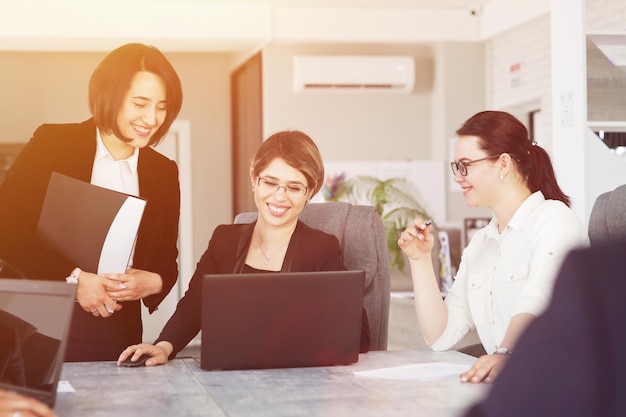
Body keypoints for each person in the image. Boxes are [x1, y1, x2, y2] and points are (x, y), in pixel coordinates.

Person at [117, 130, 370, 366]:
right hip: (228, 378)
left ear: (309, 192)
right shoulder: (224, 239)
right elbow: (194, 304)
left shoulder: (320, 248)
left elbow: (360, 335)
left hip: (294, 383)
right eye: (270, 182)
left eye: (294, 187)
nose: (280, 197)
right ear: (254, 179)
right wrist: (163, 346)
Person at [0, 43, 184, 361]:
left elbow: (166, 258)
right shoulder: (52, 143)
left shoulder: (163, 172)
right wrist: (74, 278)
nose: (151, 118)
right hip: (38, 321)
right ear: (109, 95)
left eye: (161, 107)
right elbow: (7, 226)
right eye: (140, 103)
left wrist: (153, 281)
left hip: (115, 328)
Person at [398, 110, 588, 383]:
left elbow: (540, 298)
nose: (458, 177)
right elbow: (440, 335)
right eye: (456, 167)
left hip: (560, 384)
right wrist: (419, 260)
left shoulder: (554, 220)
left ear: (503, 164)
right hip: (511, 385)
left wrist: (506, 353)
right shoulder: (481, 243)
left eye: (466, 165)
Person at [463, 238, 626, 417]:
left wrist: (506, 354)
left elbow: (536, 299)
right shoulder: (479, 240)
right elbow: (441, 337)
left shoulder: (595, 271)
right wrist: (425, 259)